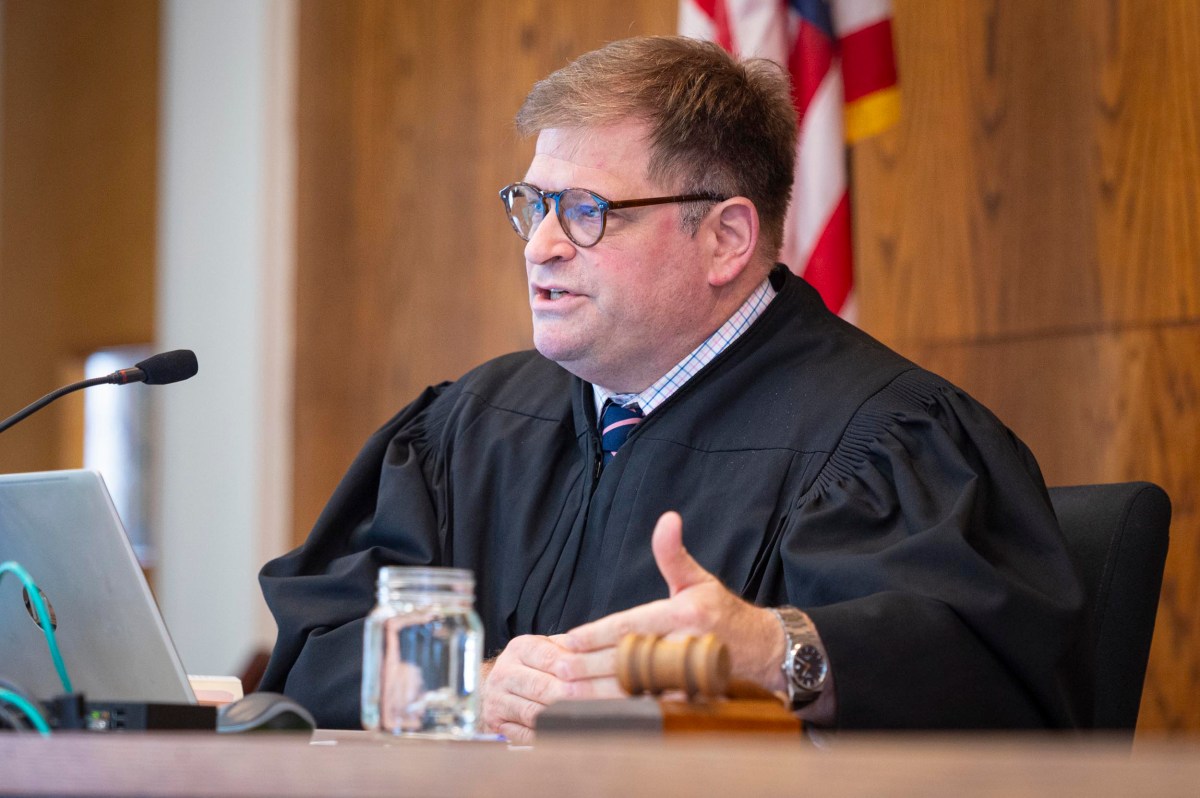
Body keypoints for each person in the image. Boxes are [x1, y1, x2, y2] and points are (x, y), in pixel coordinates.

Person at [258, 36, 1083, 742]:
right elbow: (312, 652)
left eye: (586, 211)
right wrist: (469, 688)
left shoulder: (887, 441)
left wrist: (773, 650)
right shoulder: (468, 431)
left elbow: (990, 690)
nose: (541, 245)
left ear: (725, 238)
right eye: (532, 204)